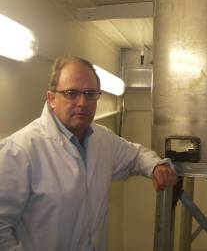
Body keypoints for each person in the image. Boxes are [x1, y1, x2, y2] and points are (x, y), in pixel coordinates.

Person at [0, 56, 177, 251]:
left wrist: (156, 166)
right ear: (51, 99)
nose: (82, 102)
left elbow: (135, 155)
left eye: (90, 93)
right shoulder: (20, 150)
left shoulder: (102, 139)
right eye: (71, 93)